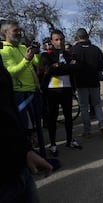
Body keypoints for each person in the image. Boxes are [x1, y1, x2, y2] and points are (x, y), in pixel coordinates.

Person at [0, 53, 53, 203]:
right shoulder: (5, 52)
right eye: (14, 30)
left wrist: (25, 150)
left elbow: (7, 112)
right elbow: (14, 71)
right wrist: (26, 59)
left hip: (18, 165)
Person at [0, 20, 48, 157]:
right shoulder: (3, 50)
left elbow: (37, 64)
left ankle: (40, 155)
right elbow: (11, 72)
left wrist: (36, 53)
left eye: (19, 30)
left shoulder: (22, 46)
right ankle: (27, 157)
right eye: (15, 30)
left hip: (33, 91)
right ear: (5, 32)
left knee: (37, 126)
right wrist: (26, 59)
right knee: (23, 128)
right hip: (19, 94)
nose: (19, 32)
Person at [40, 29, 82, 157]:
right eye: (57, 39)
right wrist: (60, 67)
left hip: (67, 90)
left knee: (68, 117)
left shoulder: (69, 54)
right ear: (52, 41)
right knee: (52, 119)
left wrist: (59, 66)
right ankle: (53, 144)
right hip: (52, 92)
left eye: (61, 39)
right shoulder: (46, 55)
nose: (60, 42)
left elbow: (77, 67)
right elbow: (48, 70)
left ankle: (69, 140)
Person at [71, 28, 103, 137]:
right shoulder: (95, 49)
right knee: (97, 104)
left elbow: (71, 65)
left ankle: (87, 130)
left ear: (78, 37)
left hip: (81, 82)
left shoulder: (75, 50)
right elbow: (101, 65)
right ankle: (102, 124)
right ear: (87, 36)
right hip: (94, 81)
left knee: (84, 107)